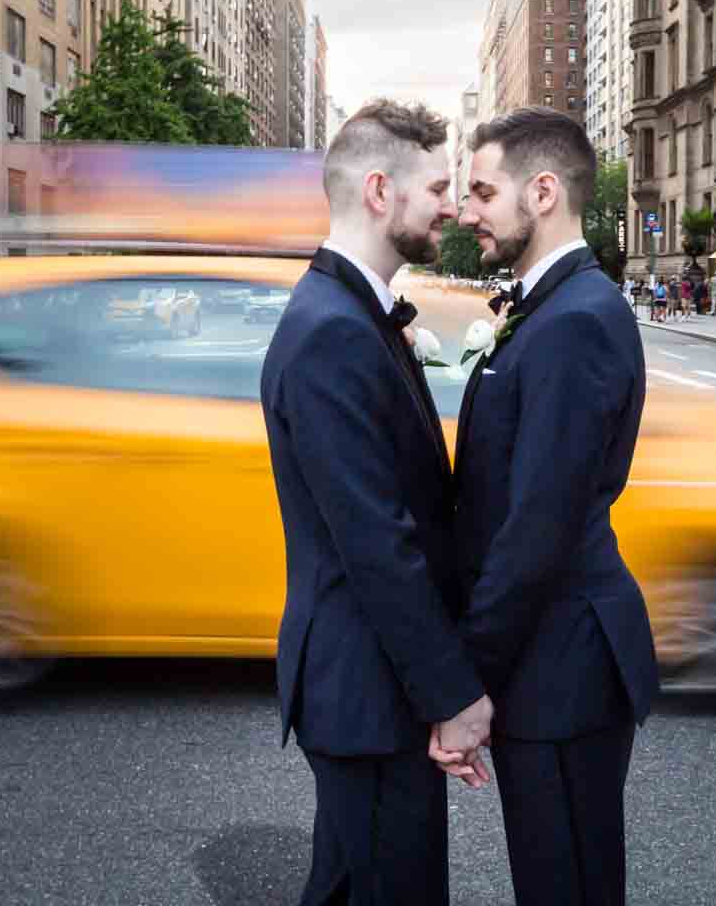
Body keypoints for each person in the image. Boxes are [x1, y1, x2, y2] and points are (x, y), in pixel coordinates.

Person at [258, 101, 494, 906]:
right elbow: (377, 543)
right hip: (368, 689)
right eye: (436, 187)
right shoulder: (332, 330)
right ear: (378, 191)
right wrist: (453, 697)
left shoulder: (355, 315)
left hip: (372, 684)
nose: (453, 207)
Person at [451, 108, 658, 905]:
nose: (468, 212)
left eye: (480, 191)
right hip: (548, 660)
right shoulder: (548, 309)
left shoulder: (577, 322)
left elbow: (536, 527)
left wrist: (468, 684)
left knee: (565, 882)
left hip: (561, 667)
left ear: (541, 192)